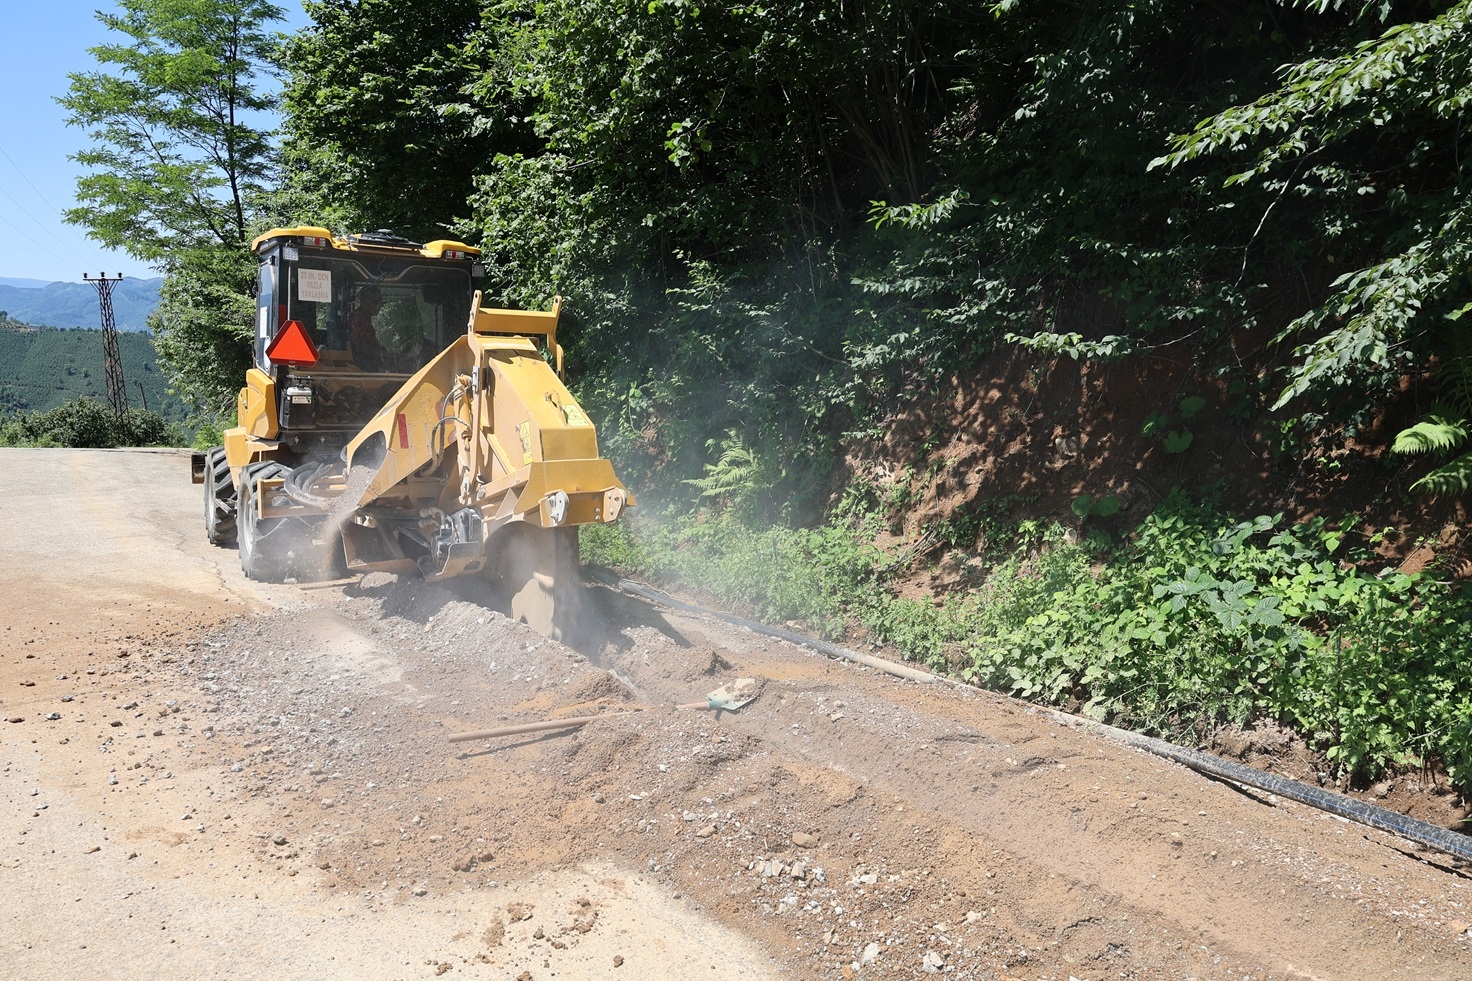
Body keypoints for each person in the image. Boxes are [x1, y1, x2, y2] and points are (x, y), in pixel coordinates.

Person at [347, 286, 386, 369]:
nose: (379, 306)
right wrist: (388, 355)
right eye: (375, 302)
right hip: (361, 369)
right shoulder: (357, 319)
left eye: (381, 302)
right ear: (363, 301)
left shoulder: (365, 319)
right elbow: (362, 348)